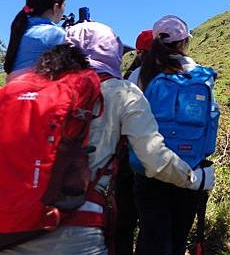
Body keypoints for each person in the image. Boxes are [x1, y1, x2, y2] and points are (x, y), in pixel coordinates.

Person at [2, 21, 214, 255]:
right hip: (79, 231)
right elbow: (154, 159)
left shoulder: (25, 91)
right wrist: (194, 179)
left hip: (13, 229)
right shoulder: (120, 91)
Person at [132, 15, 219, 255]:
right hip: (191, 169)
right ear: (185, 42)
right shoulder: (201, 76)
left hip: (149, 169)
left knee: (152, 238)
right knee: (178, 239)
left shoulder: (140, 74)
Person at [114, 28, 154, 255]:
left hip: (131, 158)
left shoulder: (133, 76)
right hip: (160, 155)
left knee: (125, 223)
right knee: (152, 224)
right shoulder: (174, 73)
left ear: (140, 51)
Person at [3, 0, 67, 81]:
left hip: (11, 93)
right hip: (38, 94)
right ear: (56, 7)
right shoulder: (55, 34)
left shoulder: (20, 29)